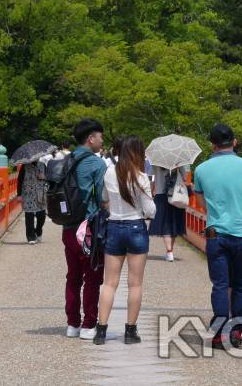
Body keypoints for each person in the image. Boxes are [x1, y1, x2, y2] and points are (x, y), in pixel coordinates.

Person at [193, 123, 242, 350]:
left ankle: (218, 333)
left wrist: (215, 212)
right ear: (234, 142)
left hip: (216, 232)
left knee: (219, 285)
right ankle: (236, 332)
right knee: (240, 284)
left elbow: (200, 200)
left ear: (212, 144)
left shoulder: (201, 169)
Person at [93, 135, 155, 345]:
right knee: (135, 284)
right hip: (136, 227)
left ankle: (101, 331)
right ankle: (130, 332)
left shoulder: (109, 172)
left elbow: (104, 200)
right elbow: (150, 211)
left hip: (114, 227)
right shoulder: (141, 177)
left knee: (109, 283)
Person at [62, 118, 108, 340]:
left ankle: (72, 323)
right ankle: (89, 324)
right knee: (92, 277)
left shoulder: (65, 160)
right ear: (91, 138)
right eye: (100, 137)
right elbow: (101, 198)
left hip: (68, 227)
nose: (102, 141)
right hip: (88, 228)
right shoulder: (97, 164)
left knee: (73, 276)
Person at [148, 162, 190, 262]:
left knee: (165, 223)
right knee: (173, 223)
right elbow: (185, 177)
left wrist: (151, 191)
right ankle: (170, 251)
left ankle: (169, 251)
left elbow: (151, 179)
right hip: (175, 195)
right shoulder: (178, 161)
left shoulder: (156, 162)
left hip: (160, 195)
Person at [19, 155, 47, 244]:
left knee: (41, 215)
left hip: (40, 193)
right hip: (28, 194)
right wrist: (19, 195)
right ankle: (30, 237)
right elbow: (20, 180)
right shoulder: (24, 166)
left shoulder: (43, 165)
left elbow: (50, 179)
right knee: (29, 216)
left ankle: (38, 231)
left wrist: (44, 177)